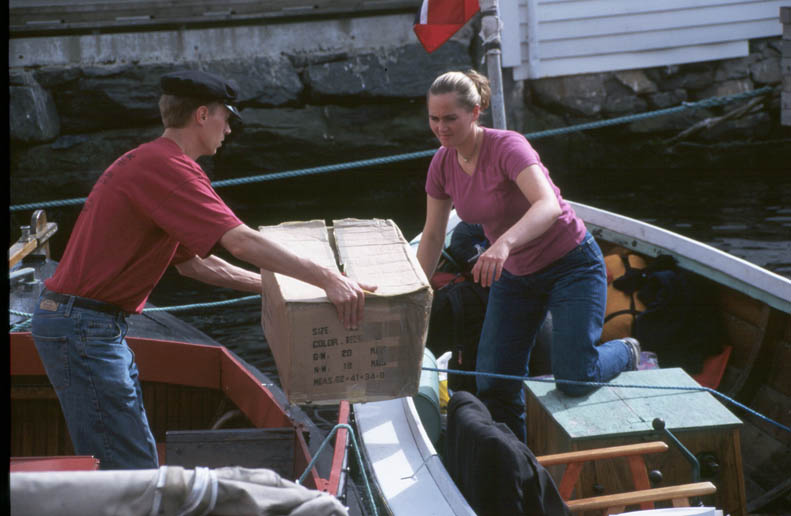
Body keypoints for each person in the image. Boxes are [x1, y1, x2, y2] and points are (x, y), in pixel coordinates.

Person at [30, 69, 376, 470]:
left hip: (86, 325)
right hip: (85, 327)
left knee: (131, 461)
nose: (228, 130)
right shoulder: (169, 168)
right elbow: (240, 241)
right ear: (202, 115)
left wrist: (274, 287)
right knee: (129, 469)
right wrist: (329, 278)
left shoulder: (150, 161)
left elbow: (195, 264)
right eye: (226, 118)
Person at [416, 70, 640, 442]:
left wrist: (503, 245)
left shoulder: (508, 147)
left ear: (475, 112)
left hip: (571, 265)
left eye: (450, 118)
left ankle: (626, 351)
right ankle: (520, 459)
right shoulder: (442, 164)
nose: (441, 128)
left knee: (574, 378)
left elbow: (548, 204)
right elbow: (434, 235)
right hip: (517, 277)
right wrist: (415, 293)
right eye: (434, 118)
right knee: (493, 382)